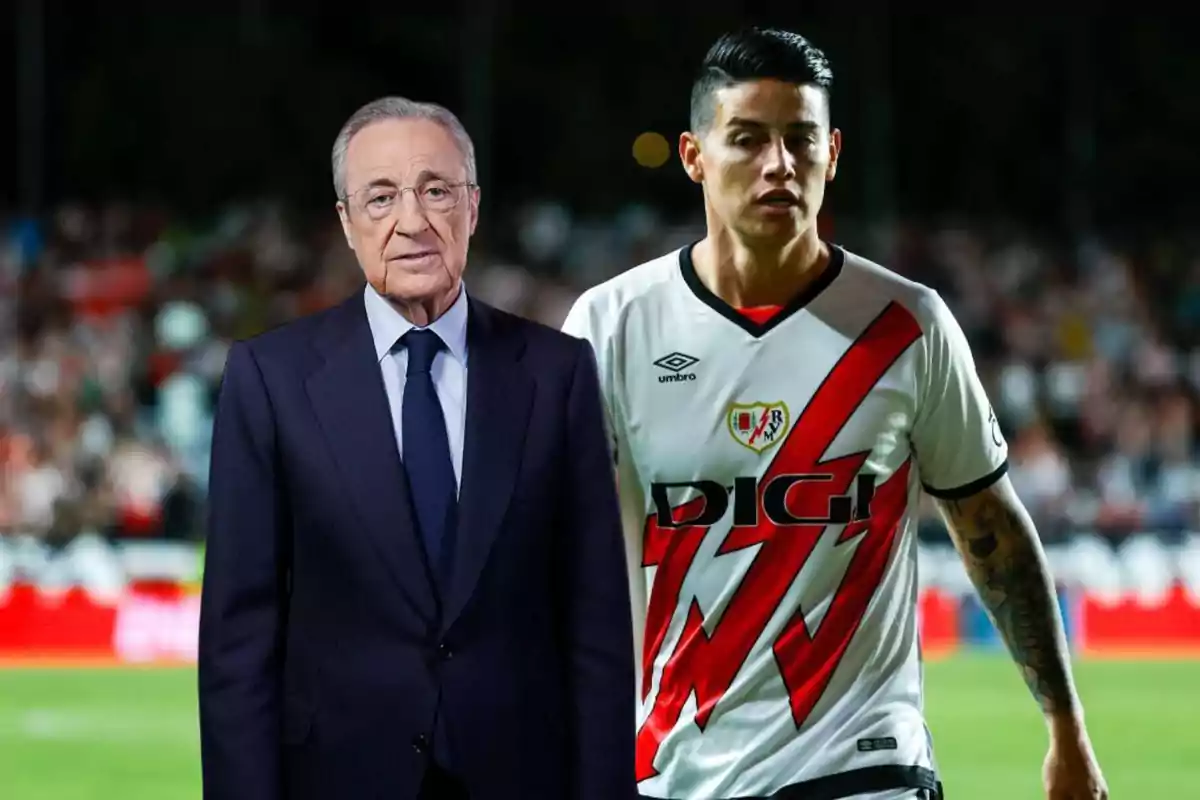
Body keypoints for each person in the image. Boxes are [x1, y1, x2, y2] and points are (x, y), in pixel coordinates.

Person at [562, 27, 1109, 800]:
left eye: (800, 140)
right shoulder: (612, 327)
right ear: (694, 156)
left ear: (833, 153)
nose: (778, 165)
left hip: (863, 762)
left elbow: (989, 524)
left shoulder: (907, 326)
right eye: (748, 139)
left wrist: (1066, 727)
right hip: (671, 769)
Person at [199, 96, 638, 800]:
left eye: (436, 190)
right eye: (380, 198)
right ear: (346, 222)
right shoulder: (270, 379)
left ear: (472, 207)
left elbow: (597, 630)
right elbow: (237, 641)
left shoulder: (557, 375)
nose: (411, 220)